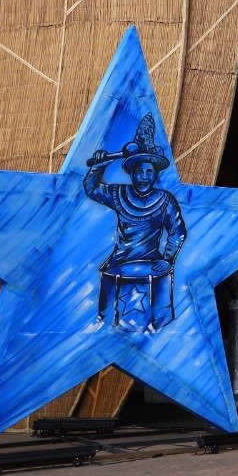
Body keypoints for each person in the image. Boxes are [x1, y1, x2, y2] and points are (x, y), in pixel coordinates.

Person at [85, 113, 186, 331]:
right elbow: (91, 189)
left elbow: (177, 232)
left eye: (149, 172)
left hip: (153, 264)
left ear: (155, 175)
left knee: (160, 322)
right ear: (131, 173)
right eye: (139, 171)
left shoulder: (165, 200)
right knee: (106, 320)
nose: (144, 177)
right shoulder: (118, 193)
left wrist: (168, 259)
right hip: (119, 264)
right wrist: (100, 165)